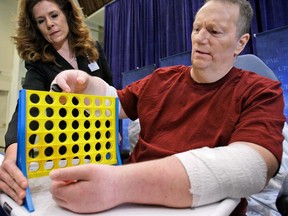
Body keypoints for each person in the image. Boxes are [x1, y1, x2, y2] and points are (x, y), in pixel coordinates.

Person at [48, 0, 285, 215]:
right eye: (196, 28)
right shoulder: (162, 79)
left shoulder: (261, 91)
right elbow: (115, 103)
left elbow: (253, 166)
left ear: (240, 43)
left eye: (214, 31)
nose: (200, 38)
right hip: (126, 203)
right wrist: (86, 85)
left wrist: (119, 185)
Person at [0, 0, 113, 206]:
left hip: (99, 146)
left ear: (67, 14)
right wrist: (11, 152)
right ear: (36, 28)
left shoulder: (92, 50)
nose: (49, 24)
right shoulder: (38, 63)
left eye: (54, 15)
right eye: (41, 20)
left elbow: (111, 92)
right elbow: (27, 107)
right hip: (63, 153)